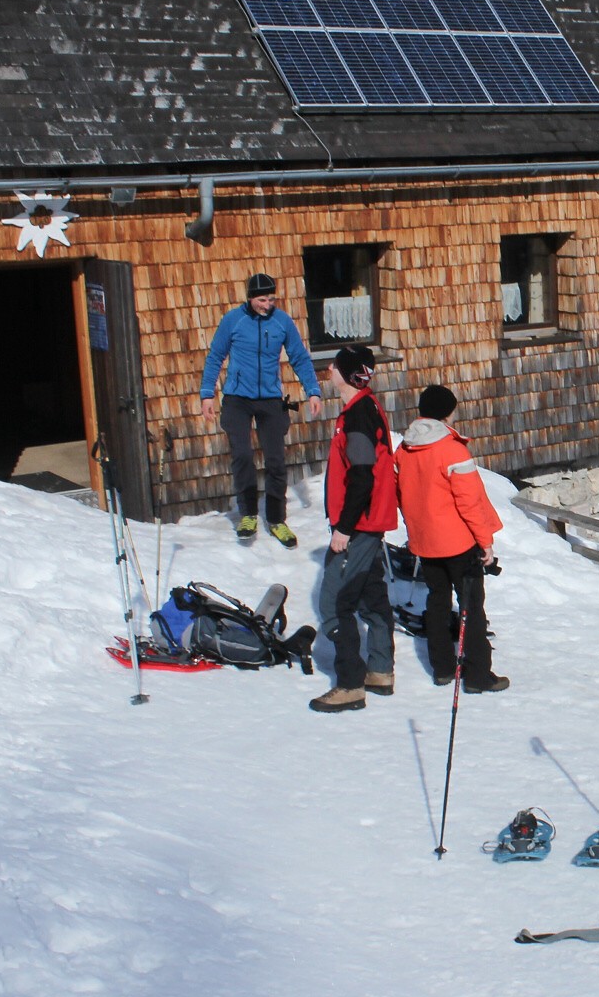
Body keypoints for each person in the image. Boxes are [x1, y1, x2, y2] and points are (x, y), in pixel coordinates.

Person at [395, 384, 509, 693]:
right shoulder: (453, 450)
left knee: (437, 602)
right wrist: (485, 542)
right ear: (448, 412)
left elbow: (400, 494)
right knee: (471, 606)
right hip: (459, 542)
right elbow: (469, 503)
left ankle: (442, 668)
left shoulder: (404, 449)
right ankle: (477, 675)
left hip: (425, 542)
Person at [199, 273, 322, 548]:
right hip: (237, 398)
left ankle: (277, 519)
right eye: (262, 299)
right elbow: (215, 356)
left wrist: (312, 390)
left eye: (271, 299)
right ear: (250, 298)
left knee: (276, 461)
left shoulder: (282, 321)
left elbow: (299, 357)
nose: (267, 304)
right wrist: (208, 394)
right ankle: (248, 515)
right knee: (242, 455)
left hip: (269, 398)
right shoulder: (233, 320)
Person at [310, 346, 398, 713]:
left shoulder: (359, 416)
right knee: (373, 595)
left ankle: (349, 684)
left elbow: (362, 476)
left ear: (345, 374)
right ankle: (379, 670)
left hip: (359, 525)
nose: (329, 371)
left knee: (335, 602)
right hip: (367, 522)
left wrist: (343, 528)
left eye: (334, 367)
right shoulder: (362, 408)